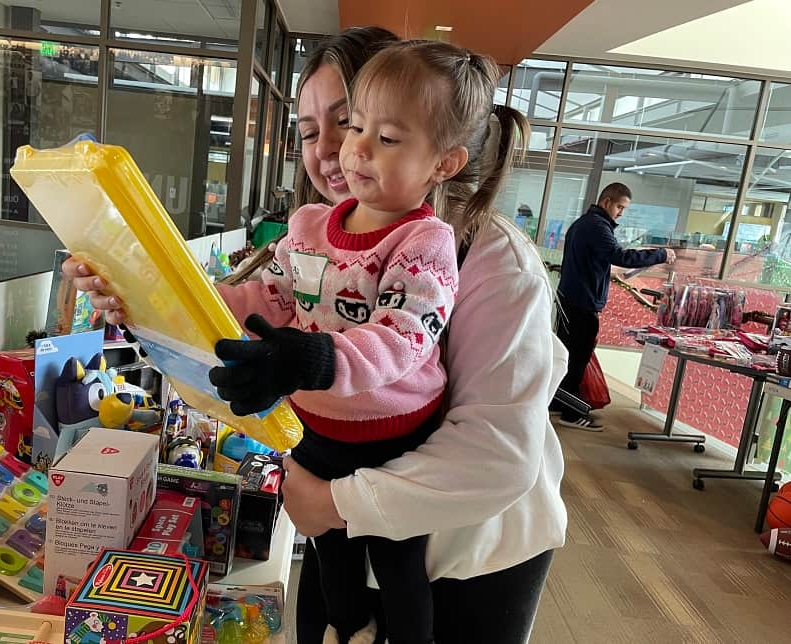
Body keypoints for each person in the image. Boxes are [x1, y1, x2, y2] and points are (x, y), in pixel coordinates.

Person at [64, 27, 567, 644]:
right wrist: (139, 296)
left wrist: (329, 501)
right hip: (333, 506)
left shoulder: (486, 257)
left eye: (357, 125)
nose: (335, 150)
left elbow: (498, 453)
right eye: (311, 130)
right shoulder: (314, 236)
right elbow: (242, 322)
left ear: (431, 143)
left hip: (468, 561)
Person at [210, 40, 467, 644]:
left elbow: (404, 338)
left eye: (389, 138)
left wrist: (318, 357)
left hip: (393, 432)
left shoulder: (426, 242)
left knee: (399, 563)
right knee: (329, 552)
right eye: (357, 128)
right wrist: (178, 296)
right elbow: (267, 299)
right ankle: (346, 627)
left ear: (443, 164)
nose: (353, 149)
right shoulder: (306, 226)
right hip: (319, 426)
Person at [555, 182, 676, 431]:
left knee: (568, 358)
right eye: (619, 206)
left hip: (571, 299)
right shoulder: (598, 227)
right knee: (577, 359)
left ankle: (561, 403)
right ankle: (571, 413)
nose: (621, 212)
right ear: (606, 202)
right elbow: (620, 256)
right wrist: (660, 255)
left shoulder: (583, 224)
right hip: (582, 303)